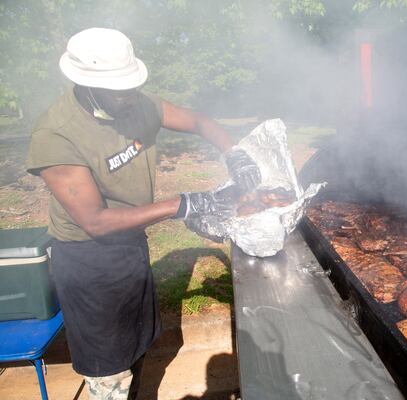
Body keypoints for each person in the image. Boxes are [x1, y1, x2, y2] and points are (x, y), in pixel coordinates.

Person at [26, 27, 260, 399]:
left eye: (130, 87)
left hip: (131, 246)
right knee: (110, 374)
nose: (129, 97)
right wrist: (182, 204)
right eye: (119, 91)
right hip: (90, 264)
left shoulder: (137, 102)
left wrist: (234, 152)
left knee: (137, 348)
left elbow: (198, 121)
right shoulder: (58, 134)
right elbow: (95, 221)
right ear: (88, 85)